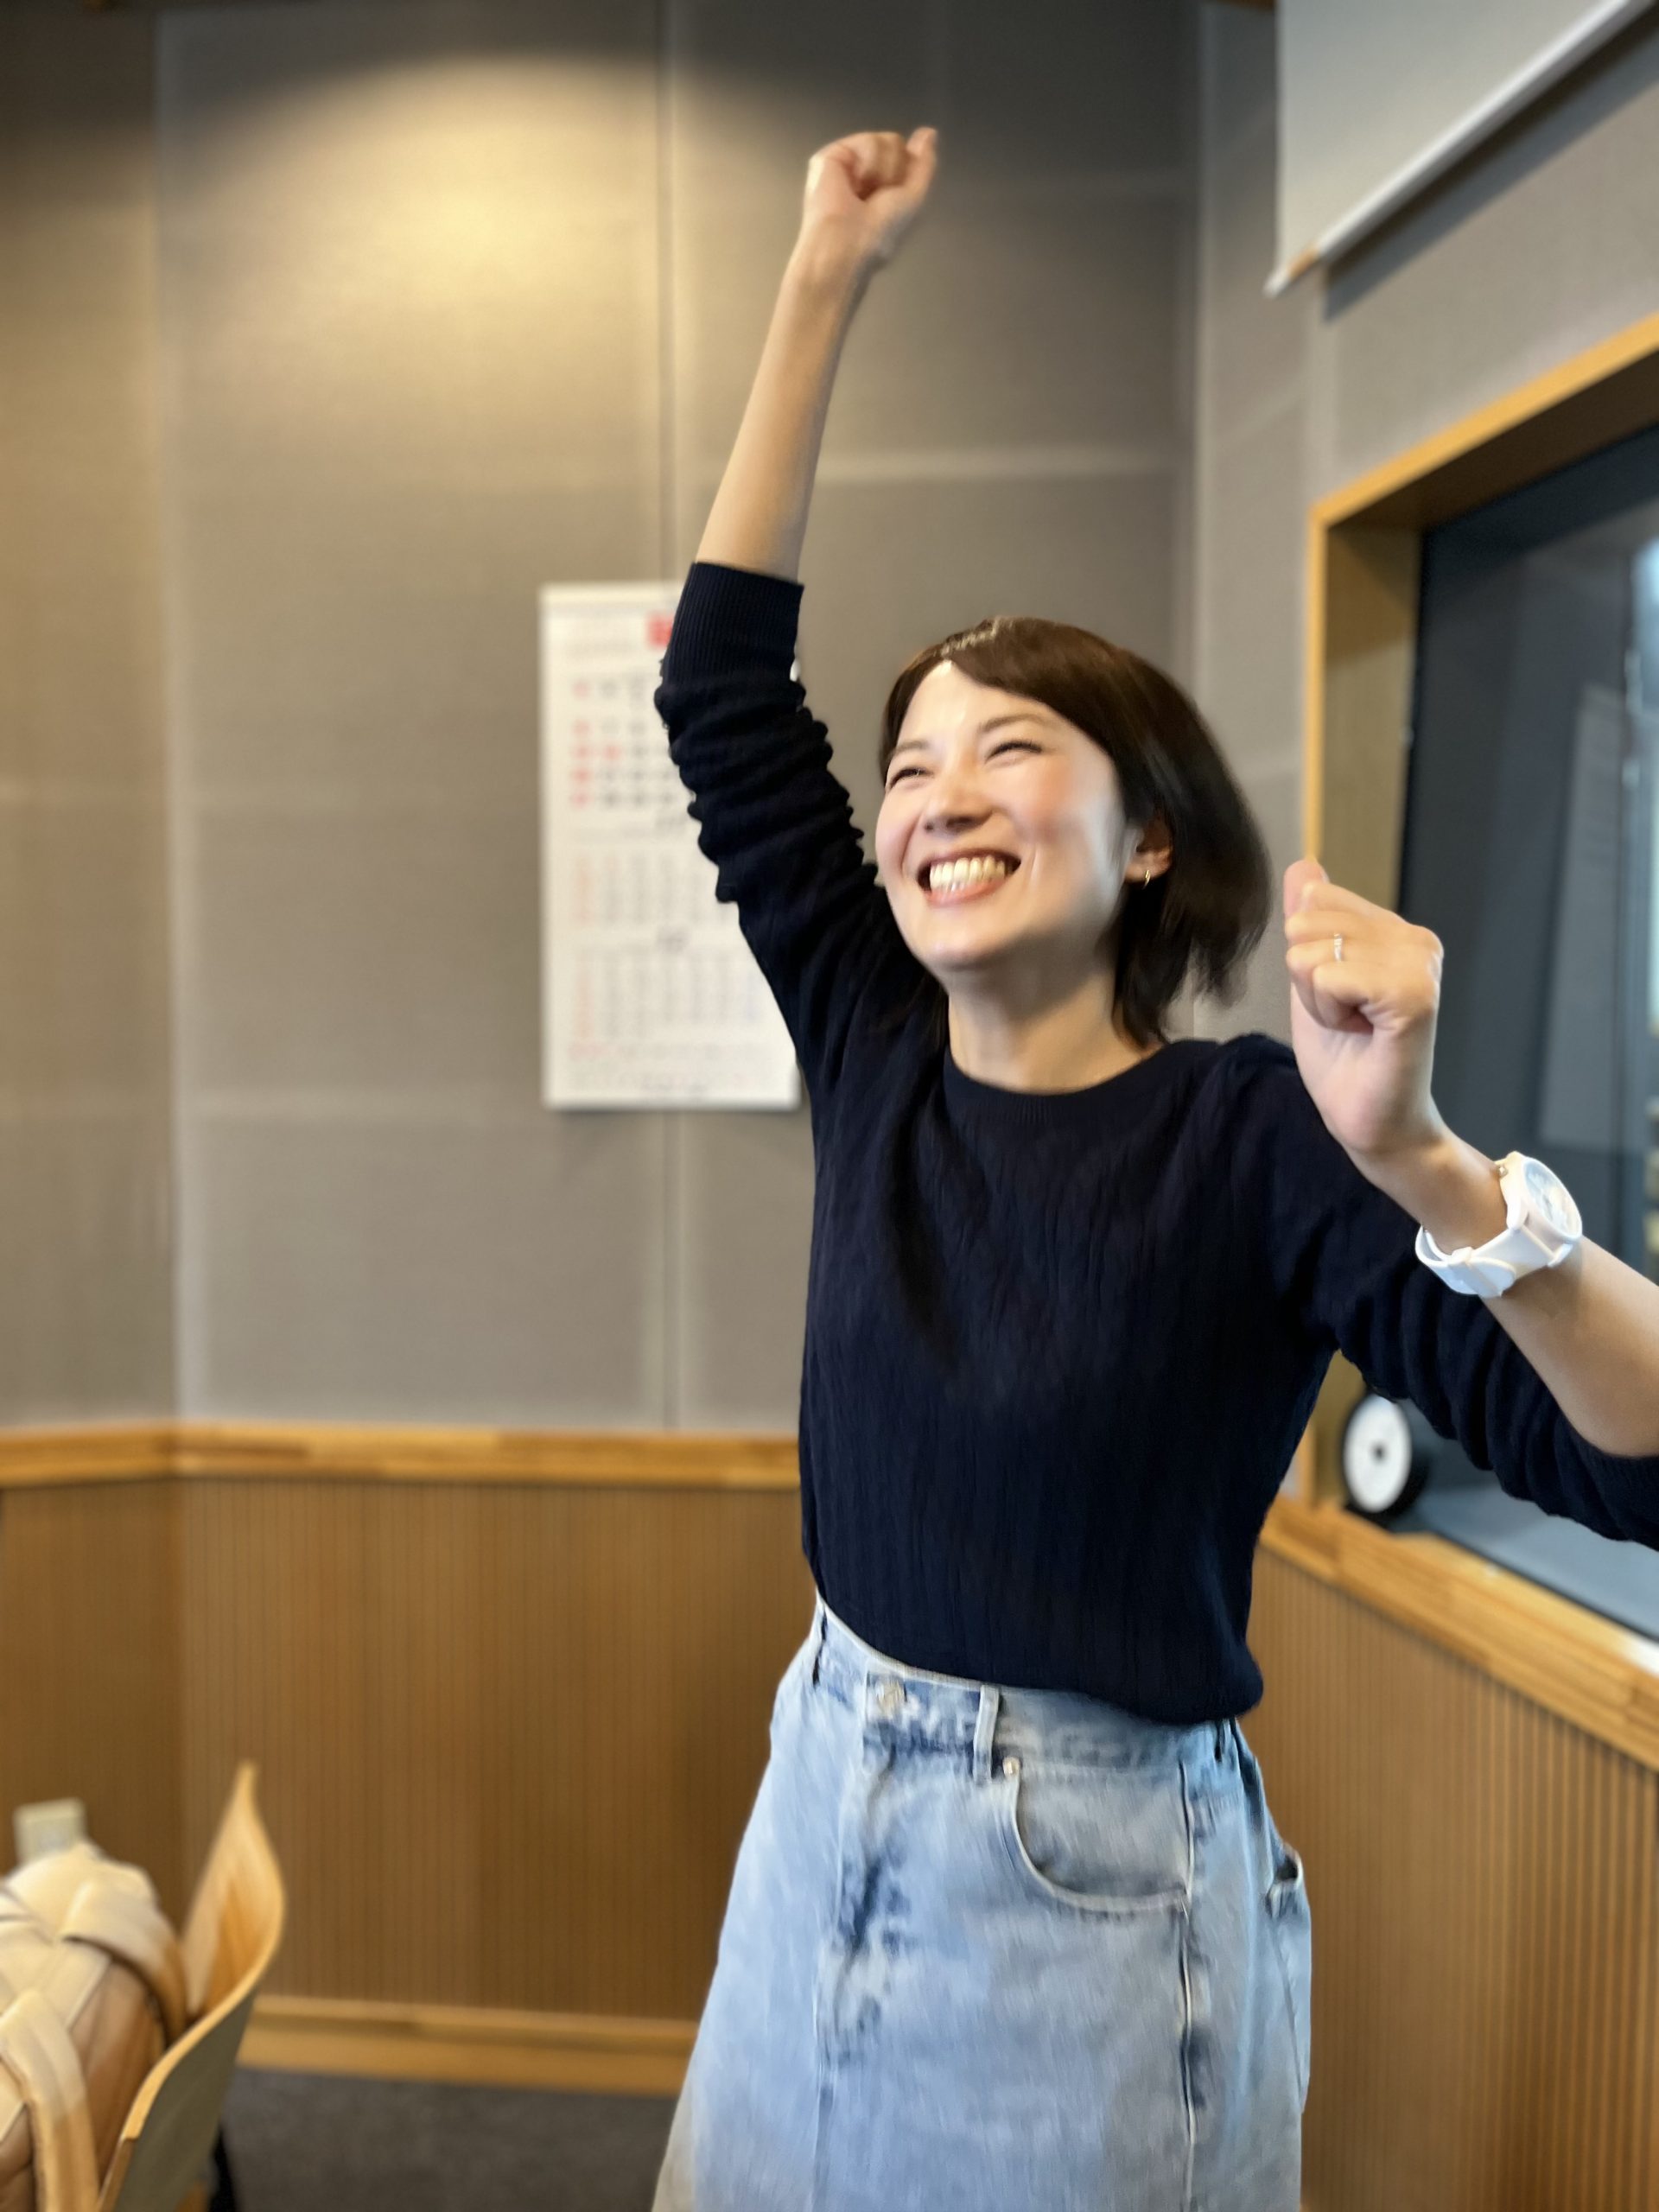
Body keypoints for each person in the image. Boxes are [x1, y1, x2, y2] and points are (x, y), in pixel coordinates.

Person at [648, 128, 1659, 2212]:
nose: (938, 796)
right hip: (818, 1782)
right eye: (911, 763)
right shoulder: (871, 1041)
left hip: (1091, 1890)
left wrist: (1431, 1160)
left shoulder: (1257, 1136)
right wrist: (823, 270)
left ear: (1151, 836)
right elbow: (721, 691)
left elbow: (1635, 1460)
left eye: (1009, 747)